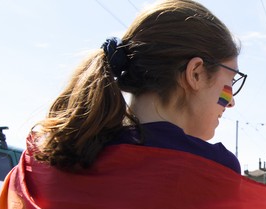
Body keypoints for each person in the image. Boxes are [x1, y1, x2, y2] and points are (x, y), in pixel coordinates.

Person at [33, 0, 243, 174]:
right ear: (195, 73)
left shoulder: (60, 153)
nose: (231, 101)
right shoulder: (214, 169)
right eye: (229, 83)